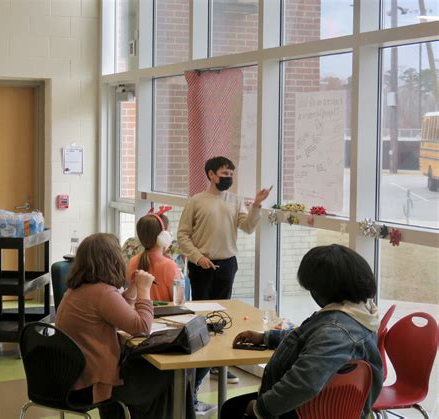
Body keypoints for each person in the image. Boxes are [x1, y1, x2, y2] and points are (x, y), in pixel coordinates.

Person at [222, 244, 383, 419]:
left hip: (307, 410)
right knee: (233, 406)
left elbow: (304, 383)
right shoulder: (358, 314)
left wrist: (259, 409)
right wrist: (266, 338)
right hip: (323, 406)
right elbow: (311, 340)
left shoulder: (335, 332)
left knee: (232, 409)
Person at [56, 233, 195, 419]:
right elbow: (143, 327)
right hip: (94, 385)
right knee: (173, 371)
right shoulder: (103, 293)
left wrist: (133, 290)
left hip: (72, 379)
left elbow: (114, 308)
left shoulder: (78, 290)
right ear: (112, 260)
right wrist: (145, 291)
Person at [177, 156, 272, 387]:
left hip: (227, 264)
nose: (228, 178)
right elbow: (182, 236)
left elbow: (248, 227)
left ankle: (217, 366)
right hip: (202, 266)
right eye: (224, 174)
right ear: (211, 175)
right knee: (202, 319)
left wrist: (257, 205)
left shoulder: (235, 200)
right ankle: (199, 366)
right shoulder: (196, 201)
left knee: (222, 318)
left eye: (231, 174)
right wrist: (199, 258)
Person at [126, 213, 180, 302]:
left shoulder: (133, 261)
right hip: (163, 315)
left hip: (140, 313)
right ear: (163, 236)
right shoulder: (169, 266)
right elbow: (178, 301)